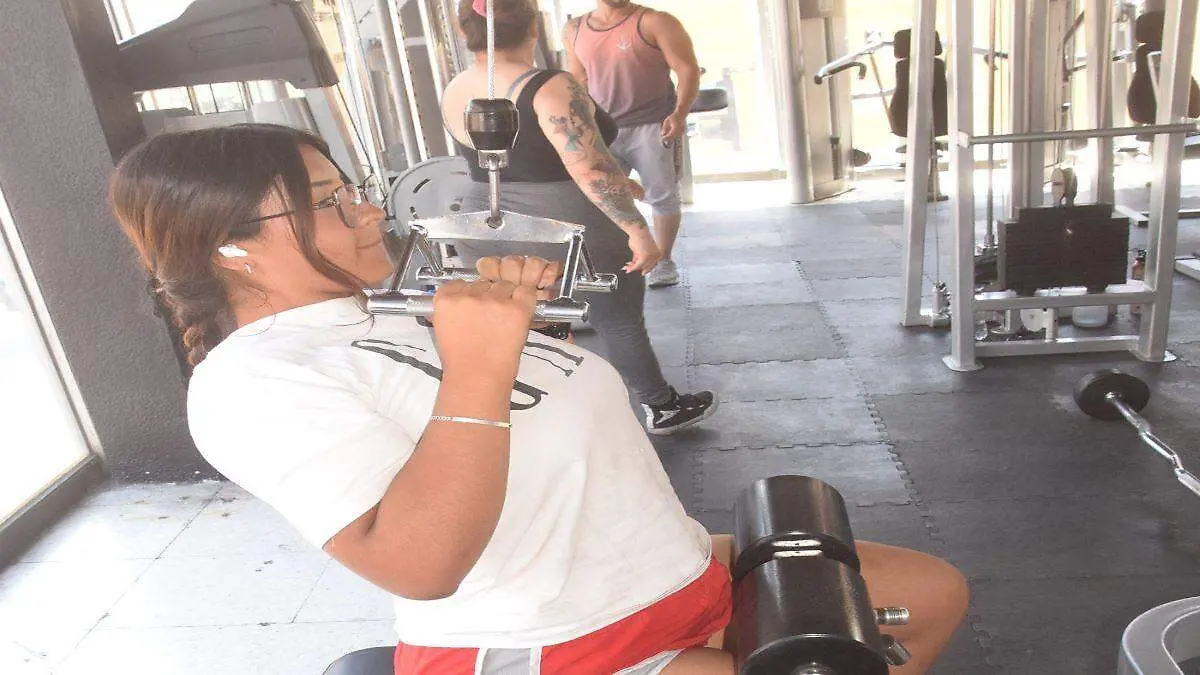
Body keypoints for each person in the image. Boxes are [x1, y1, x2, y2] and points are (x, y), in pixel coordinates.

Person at [110, 123, 970, 674]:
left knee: (931, 592)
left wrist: (514, 348)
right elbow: (418, 562)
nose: (369, 211)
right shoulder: (250, 381)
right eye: (332, 203)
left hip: (658, 567)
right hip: (556, 638)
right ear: (230, 247)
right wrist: (482, 367)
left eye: (353, 186)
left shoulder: (392, 310)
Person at [441, 0, 715, 435]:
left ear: (465, 31)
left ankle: (534, 414)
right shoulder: (550, 86)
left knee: (528, 320)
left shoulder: (457, 86)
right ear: (535, 27)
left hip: (484, 221)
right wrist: (637, 229)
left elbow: (523, 159)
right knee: (617, 316)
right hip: (563, 223)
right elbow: (586, 168)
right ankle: (660, 405)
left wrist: (620, 187)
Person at [564, 0, 698, 288]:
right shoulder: (574, 29)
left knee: (661, 194)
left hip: (653, 125)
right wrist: (579, 126)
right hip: (603, 129)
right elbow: (577, 80)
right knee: (602, 197)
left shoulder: (655, 22)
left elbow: (687, 70)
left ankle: (663, 261)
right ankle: (616, 258)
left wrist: (680, 113)